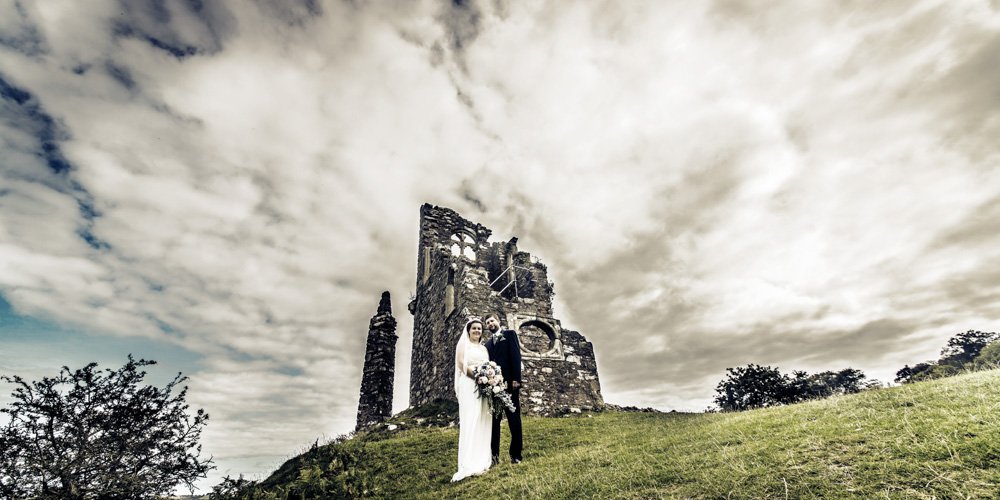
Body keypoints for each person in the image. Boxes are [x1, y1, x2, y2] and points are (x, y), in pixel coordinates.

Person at [451, 318, 492, 482]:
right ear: (468, 330)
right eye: (474, 328)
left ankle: (481, 461)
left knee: (483, 419)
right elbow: (461, 364)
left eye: (479, 329)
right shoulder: (463, 345)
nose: (477, 331)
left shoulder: (484, 348)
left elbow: (488, 365)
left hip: (483, 385)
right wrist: (477, 377)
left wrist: (488, 378)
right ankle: (468, 463)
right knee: (471, 419)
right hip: (469, 383)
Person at [483, 313, 523, 464]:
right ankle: (494, 457)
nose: (490, 324)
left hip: (509, 385)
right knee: (494, 422)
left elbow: (516, 356)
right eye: (488, 322)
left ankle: (516, 455)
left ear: (498, 321)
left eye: (492, 320)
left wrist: (516, 379)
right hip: (494, 388)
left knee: (514, 419)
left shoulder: (509, 335)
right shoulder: (487, 345)